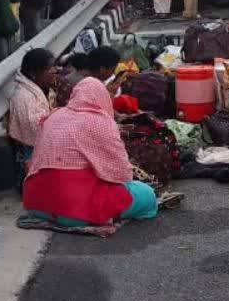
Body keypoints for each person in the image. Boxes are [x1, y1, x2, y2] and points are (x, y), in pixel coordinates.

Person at [22, 78, 158, 227]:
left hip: (35, 204)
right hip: (73, 211)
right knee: (146, 194)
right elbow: (123, 174)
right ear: (103, 97)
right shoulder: (101, 122)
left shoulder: (54, 116)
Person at [7, 48, 57, 188]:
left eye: (54, 66)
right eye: (49, 68)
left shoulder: (37, 88)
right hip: (33, 152)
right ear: (33, 72)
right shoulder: (24, 96)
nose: (54, 71)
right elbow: (34, 125)